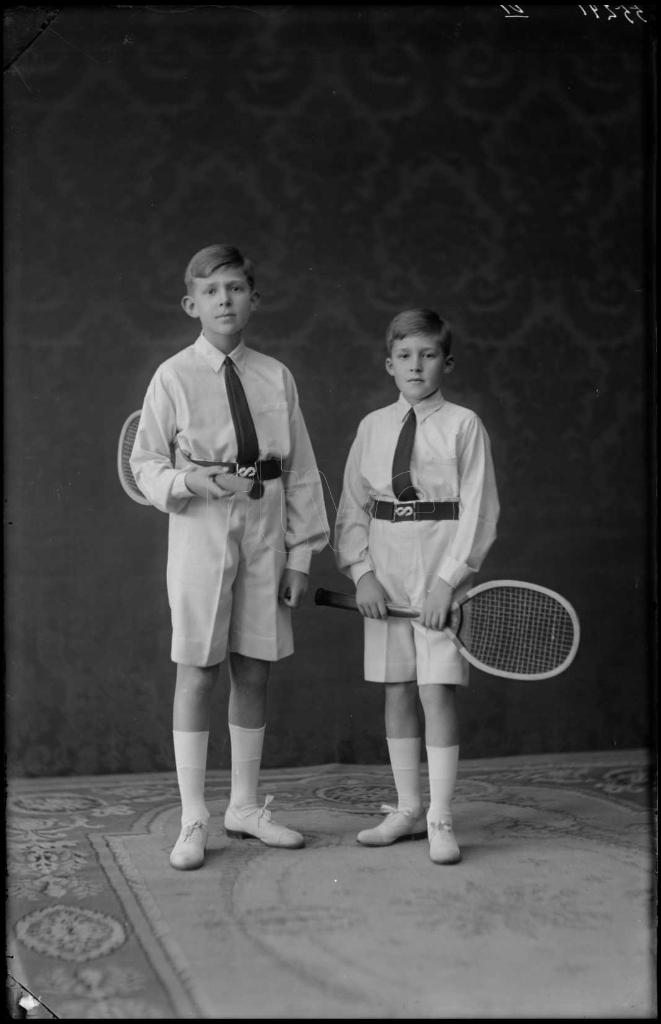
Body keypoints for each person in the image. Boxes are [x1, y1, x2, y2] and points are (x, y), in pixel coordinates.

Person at [131, 243, 329, 870]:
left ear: (254, 300)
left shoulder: (276, 376)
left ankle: (243, 807)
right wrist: (196, 483)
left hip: (265, 531)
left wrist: (300, 557)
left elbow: (300, 471)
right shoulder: (172, 376)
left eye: (236, 288)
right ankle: (195, 817)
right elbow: (145, 465)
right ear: (192, 304)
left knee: (254, 666)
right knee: (198, 667)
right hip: (202, 531)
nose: (225, 300)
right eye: (212, 291)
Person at [334, 309, 499, 864]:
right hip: (387, 570)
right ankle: (406, 809)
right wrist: (362, 575)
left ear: (446, 362)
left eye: (428, 354)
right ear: (388, 364)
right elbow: (353, 508)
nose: (416, 365)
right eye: (404, 355)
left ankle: (440, 816)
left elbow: (479, 511)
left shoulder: (463, 424)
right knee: (397, 688)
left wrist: (448, 584)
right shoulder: (372, 427)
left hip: (438, 572)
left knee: (437, 689)